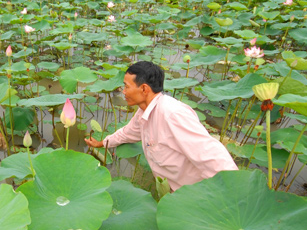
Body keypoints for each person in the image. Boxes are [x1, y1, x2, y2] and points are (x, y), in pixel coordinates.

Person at [84, 61, 238, 191]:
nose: (123, 92)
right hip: (172, 193)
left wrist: (236, 193)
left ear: (144, 89)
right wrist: (103, 143)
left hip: (196, 195)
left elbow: (212, 156)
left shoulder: (173, 114)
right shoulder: (143, 112)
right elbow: (128, 133)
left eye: (126, 87)